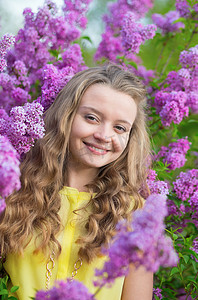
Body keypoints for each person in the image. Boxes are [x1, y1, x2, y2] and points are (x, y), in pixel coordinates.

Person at [0, 64, 153, 299]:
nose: (104, 135)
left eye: (120, 127)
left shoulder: (136, 216)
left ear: (130, 137)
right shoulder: (13, 192)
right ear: (66, 117)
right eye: (92, 118)